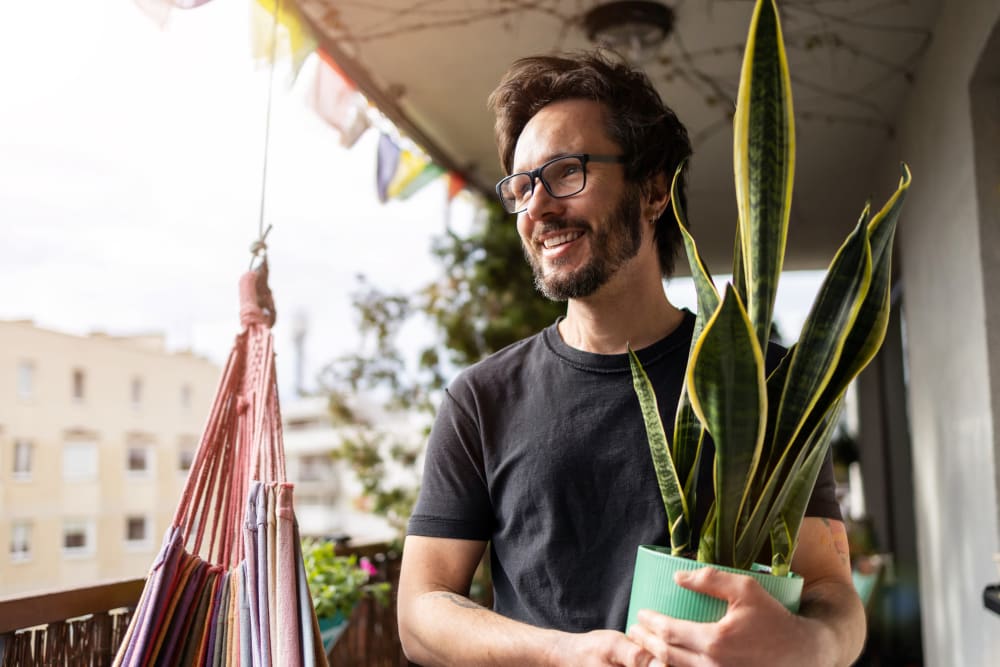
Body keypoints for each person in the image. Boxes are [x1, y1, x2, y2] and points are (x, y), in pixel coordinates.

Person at [396, 51, 865, 667]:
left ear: (652, 191)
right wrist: (563, 653)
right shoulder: (483, 399)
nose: (536, 208)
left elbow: (833, 593)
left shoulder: (765, 384)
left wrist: (806, 644)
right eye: (521, 186)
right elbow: (420, 611)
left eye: (566, 173)